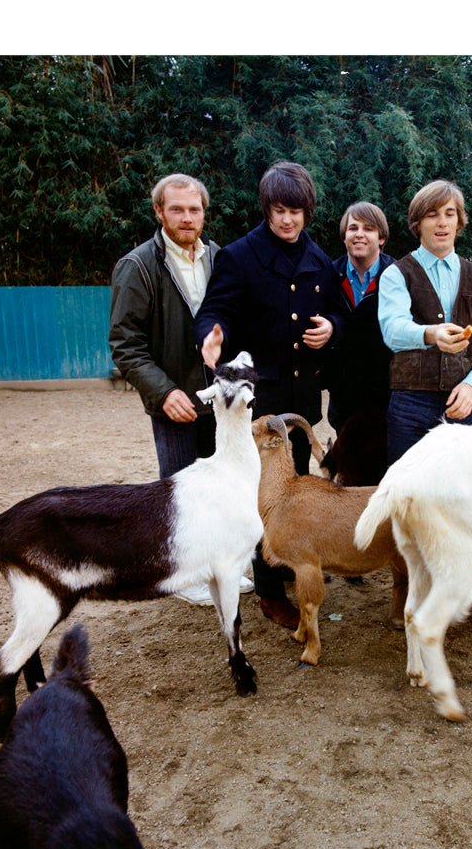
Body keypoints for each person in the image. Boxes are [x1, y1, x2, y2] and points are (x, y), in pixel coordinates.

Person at [194, 161, 345, 631]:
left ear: (308, 212)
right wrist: (211, 336)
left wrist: (332, 328)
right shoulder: (239, 255)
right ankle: (267, 588)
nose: (287, 221)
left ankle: (291, 563)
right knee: (262, 497)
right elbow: (214, 309)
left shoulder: (319, 259)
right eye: (279, 211)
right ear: (266, 209)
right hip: (260, 405)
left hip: (300, 403)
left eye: (296, 212)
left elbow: (339, 312)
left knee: (294, 489)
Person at [109, 173, 252, 604]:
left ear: (204, 213)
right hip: (174, 401)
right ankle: (183, 575)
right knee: (178, 492)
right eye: (177, 209)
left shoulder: (223, 258)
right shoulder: (137, 267)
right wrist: (164, 392)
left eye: (194, 209)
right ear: (159, 212)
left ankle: (219, 568)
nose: (187, 218)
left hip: (221, 400)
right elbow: (125, 345)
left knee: (225, 488)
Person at [378, 179, 472, 464]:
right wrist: (431, 333)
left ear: (459, 222)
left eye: (449, 213)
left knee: (455, 499)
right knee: (407, 497)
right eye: (432, 214)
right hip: (409, 403)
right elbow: (392, 329)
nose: (442, 222)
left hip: (460, 403)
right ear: (417, 223)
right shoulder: (397, 274)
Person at [322, 202, 396, 460]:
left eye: (369, 228)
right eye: (353, 228)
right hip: (343, 399)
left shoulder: (398, 277)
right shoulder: (328, 275)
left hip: (386, 398)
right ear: (344, 236)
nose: (359, 234)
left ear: (382, 237)